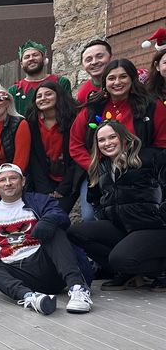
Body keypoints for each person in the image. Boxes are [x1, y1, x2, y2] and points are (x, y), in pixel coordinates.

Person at [0, 164, 93, 315]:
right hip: (17, 272)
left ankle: (77, 289)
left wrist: (48, 220)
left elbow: (59, 214)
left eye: (13, 178)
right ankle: (30, 298)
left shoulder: (39, 200)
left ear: (23, 181)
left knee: (54, 230)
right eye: (2, 180)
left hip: (46, 264)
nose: (8, 183)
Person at [68, 122, 166, 291]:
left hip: (154, 226)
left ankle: (161, 271)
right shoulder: (103, 167)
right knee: (76, 233)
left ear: (124, 138)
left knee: (121, 259)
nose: (107, 143)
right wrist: (105, 214)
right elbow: (96, 200)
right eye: (101, 140)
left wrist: (161, 214)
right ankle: (128, 272)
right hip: (124, 226)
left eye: (112, 137)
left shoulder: (150, 157)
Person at [69, 58, 166, 221]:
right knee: (88, 217)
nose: (117, 82)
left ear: (132, 79)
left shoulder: (151, 106)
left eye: (123, 77)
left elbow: (162, 143)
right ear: (105, 82)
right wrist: (96, 168)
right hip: (102, 174)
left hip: (143, 175)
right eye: (112, 78)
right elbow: (75, 144)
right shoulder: (93, 108)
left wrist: (137, 163)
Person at [25, 81, 83, 212]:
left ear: (58, 96)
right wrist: (46, 190)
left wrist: (62, 189)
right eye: (39, 96)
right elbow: (34, 158)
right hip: (44, 180)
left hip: (69, 178)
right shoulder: (32, 122)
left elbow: (77, 155)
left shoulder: (73, 119)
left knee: (59, 213)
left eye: (48, 94)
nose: (43, 98)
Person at [8, 40, 72, 114]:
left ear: (44, 59)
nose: (31, 58)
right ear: (21, 64)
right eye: (27, 57)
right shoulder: (14, 90)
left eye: (35, 55)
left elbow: (68, 112)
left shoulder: (61, 82)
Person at [76, 39, 113, 104]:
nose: (94, 62)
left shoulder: (130, 79)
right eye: (89, 59)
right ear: (83, 65)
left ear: (111, 58)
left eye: (100, 56)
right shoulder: (83, 94)